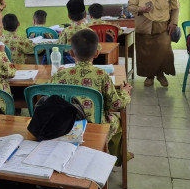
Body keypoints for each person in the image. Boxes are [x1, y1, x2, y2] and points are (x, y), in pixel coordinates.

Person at [47, 29, 133, 165]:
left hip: (65, 126)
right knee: (117, 121)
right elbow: (116, 105)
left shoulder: (60, 75)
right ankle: (117, 159)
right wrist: (124, 93)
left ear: (71, 53)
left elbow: (49, 96)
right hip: (95, 126)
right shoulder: (101, 75)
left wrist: (58, 74)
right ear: (97, 53)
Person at [127, 0, 179, 87]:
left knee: (164, 52)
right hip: (144, 28)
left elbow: (176, 8)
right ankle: (149, 76)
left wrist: (174, 22)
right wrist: (141, 9)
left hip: (163, 27)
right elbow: (130, 6)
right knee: (145, 54)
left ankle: (160, 75)